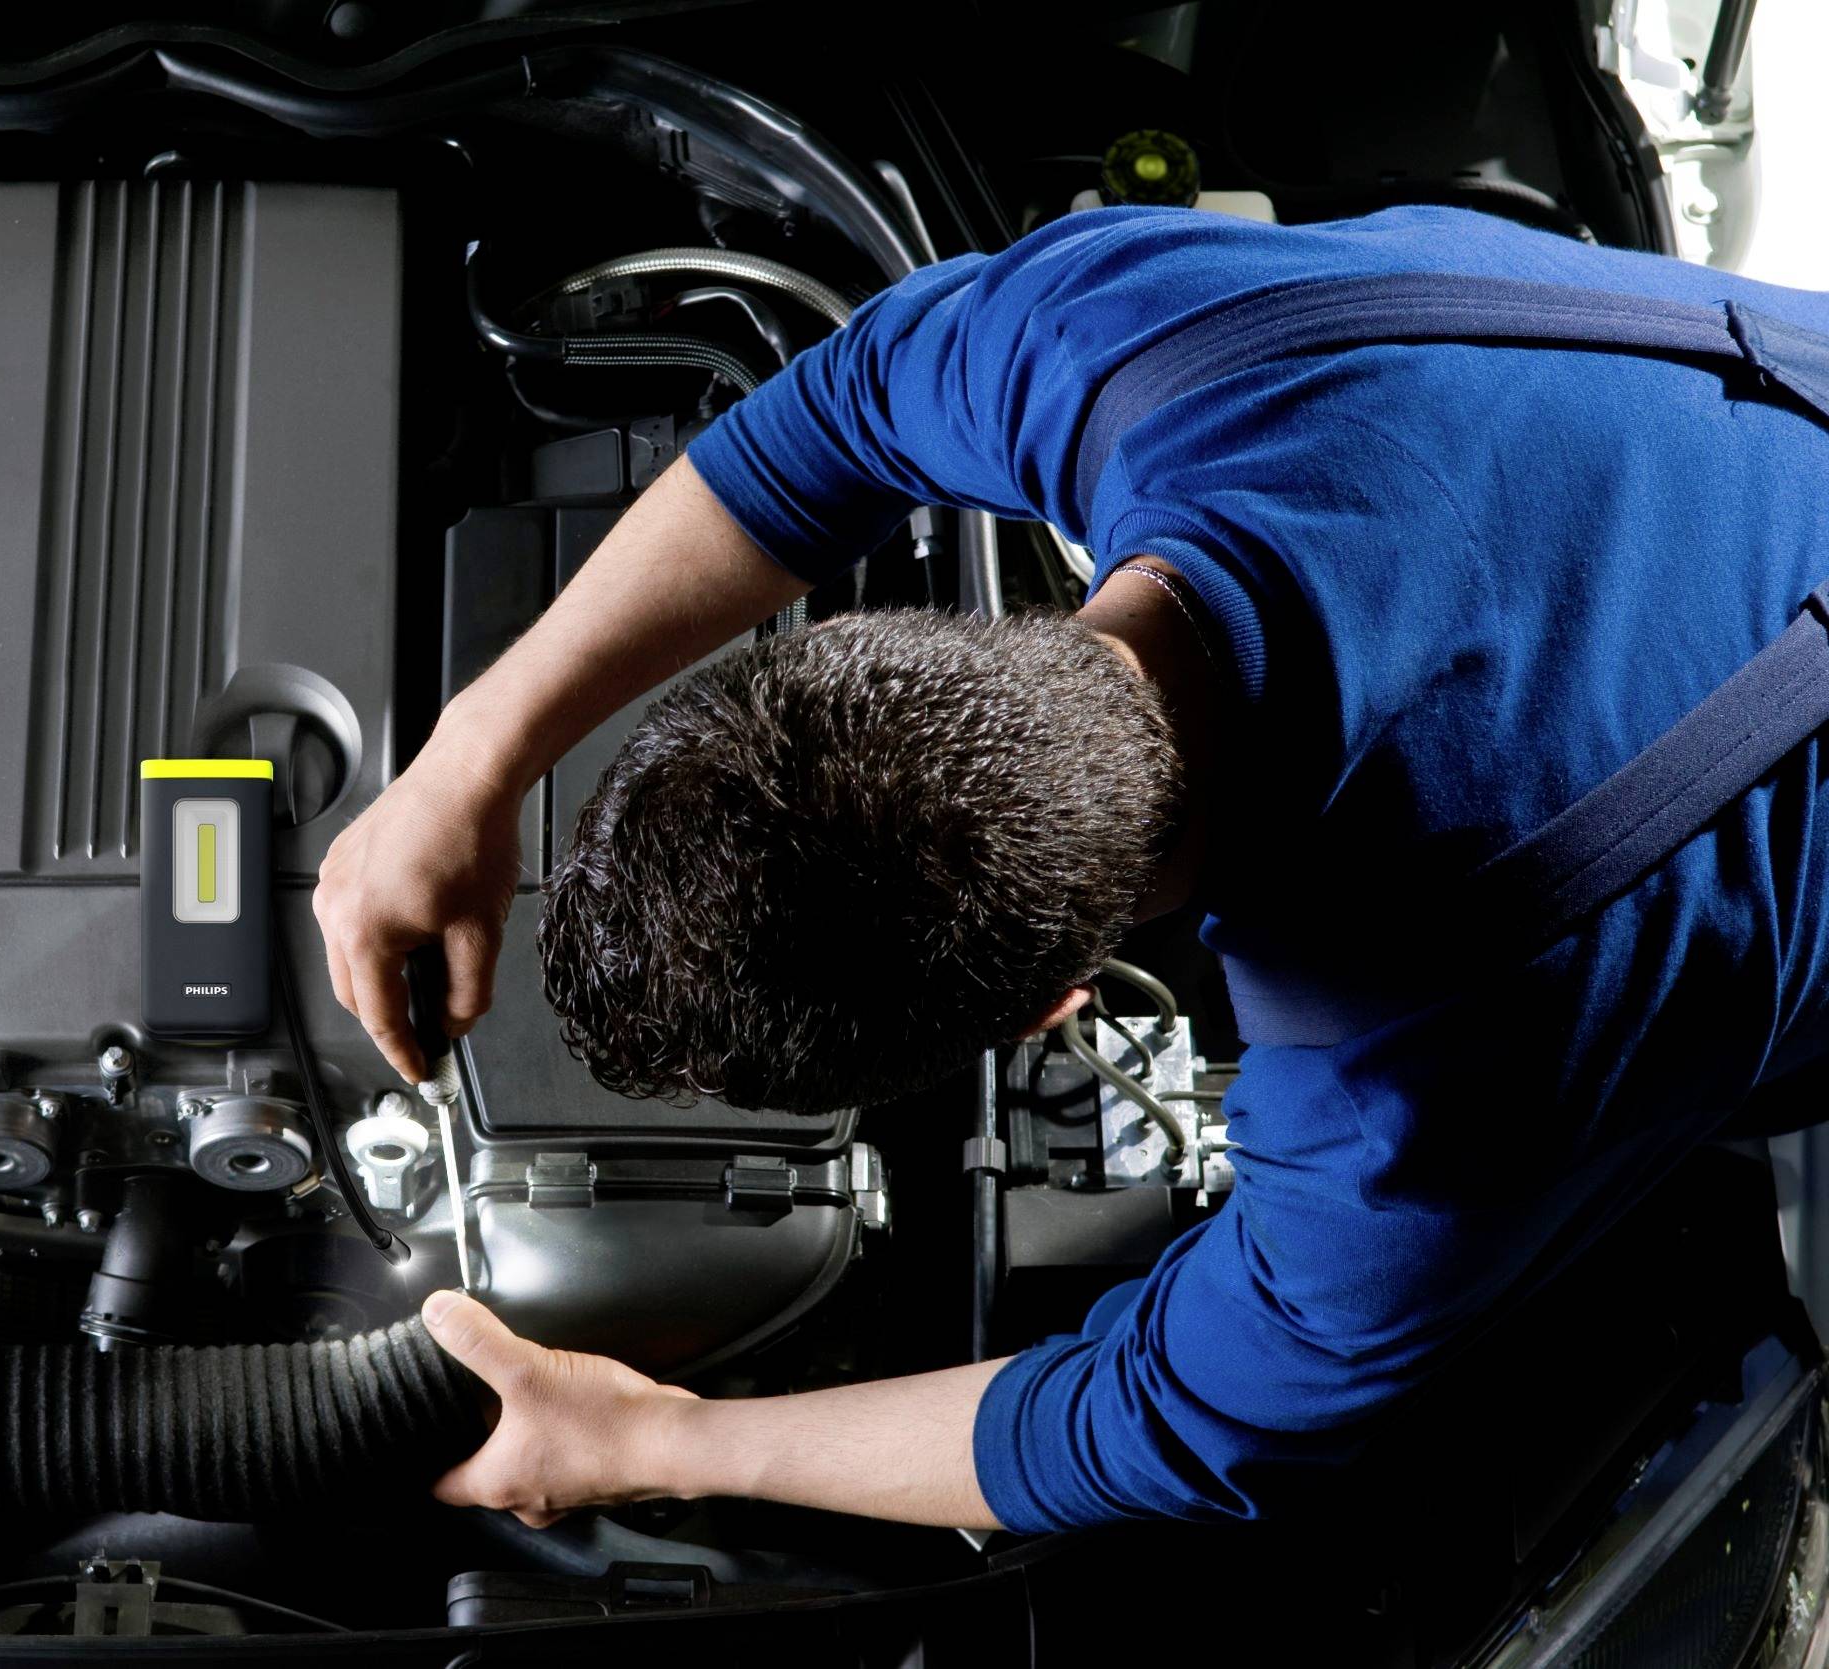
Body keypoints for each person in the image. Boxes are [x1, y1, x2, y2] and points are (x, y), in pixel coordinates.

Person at [311, 202, 1829, 1533]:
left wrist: (657, 1444)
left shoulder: (1416, 1100)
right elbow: (840, 410)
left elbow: (1169, 1418)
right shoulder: (1134, 346)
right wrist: (471, 754)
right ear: (880, 639)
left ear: (1058, 1007)